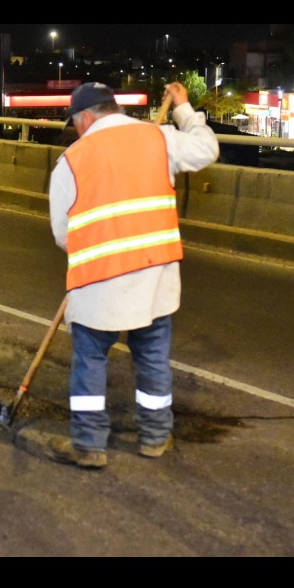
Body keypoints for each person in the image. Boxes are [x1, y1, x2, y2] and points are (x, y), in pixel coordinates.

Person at [46, 81, 220, 470]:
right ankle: (155, 437)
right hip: (154, 279)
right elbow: (207, 148)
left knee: (90, 363)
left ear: (85, 117)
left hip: (98, 284)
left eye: (75, 123)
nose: (76, 130)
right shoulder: (159, 138)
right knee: (153, 359)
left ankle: (89, 445)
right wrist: (184, 109)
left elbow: (62, 232)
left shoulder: (70, 161)